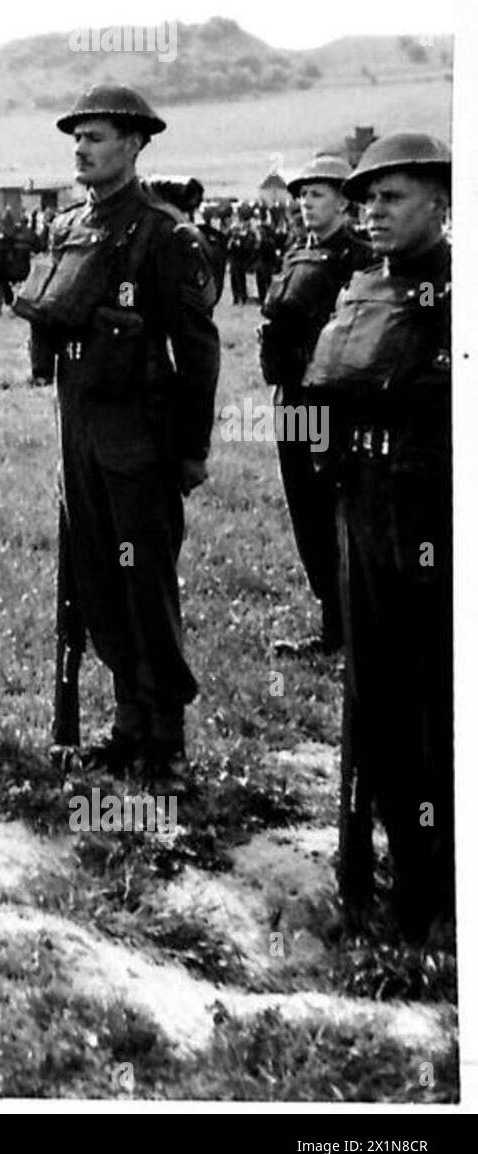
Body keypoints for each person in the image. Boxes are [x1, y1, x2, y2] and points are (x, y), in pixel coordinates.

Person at [24, 84, 219, 779]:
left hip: (139, 436)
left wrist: (191, 449)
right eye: (77, 138)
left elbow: (198, 351)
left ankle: (164, 728)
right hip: (79, 431)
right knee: (99, 583)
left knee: (144, 585)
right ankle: (128, 718)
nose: (82, 149)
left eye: (97, 137)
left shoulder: (165, 235)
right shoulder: (70, 226)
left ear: (134, 146)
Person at [303, 133, 452, 942]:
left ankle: (435, 878)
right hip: (363, 508)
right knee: (376, 694)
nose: (374, 213)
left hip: (431, 518)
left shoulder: (455, 292)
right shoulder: (364, 286)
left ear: (440, 201)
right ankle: (385, 859)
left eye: (391, 198)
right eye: (367, 200)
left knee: (435, 697)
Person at [258, 154, 374, 657]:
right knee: (305, 506)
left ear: (345, 202)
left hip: (329, 400)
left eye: (318, 194)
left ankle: (354, 623)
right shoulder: (295, 251)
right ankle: (332, 621)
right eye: (302, 194)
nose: (306, 203)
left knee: (335, 505)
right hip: (292, 396)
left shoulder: (360, 256)